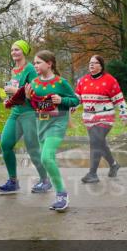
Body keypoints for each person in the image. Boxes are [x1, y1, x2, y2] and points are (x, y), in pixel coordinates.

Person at [25, 51, 80, 212]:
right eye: (34, 63)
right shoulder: (33, 83)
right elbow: (34, 105)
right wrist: (28, 98)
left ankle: (62, 194)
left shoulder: (61, 83)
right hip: (41, 124)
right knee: (47, 160)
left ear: (49, 64)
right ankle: (50, 184)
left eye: (38, 62)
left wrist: (62, 100)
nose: (35, 65)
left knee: (46, 157)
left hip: (58, 123)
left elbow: (76, 100)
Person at [0, 40, 51, 195]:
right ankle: (13, 181)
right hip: (16, 113)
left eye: (17, 49)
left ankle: (45, 180)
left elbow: (36, 94)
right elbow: (15, 94)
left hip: (29, 113)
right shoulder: (14, 70)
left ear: (24, 52)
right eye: (12, 49)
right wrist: (8, 100)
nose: (14, 52)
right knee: (5, 144)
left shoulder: (30, 70)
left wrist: (14, 90)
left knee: (33, 148)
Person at [75, 55, 127, 183]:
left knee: (95, 142)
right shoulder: (83, 80)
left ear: (101, 65)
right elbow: (77, 98)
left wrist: (124, 114)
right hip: (89, 117)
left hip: (105, 117)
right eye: (90, 63)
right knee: (99, 143)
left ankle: (92, 174)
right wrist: (72, 106)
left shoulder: (110, 80)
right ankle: (114, 164)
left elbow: (119, 99)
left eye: (95, 63)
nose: (91, 65)